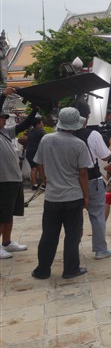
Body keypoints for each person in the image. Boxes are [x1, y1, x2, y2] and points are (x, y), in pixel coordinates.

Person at [31, 107, 91, 279]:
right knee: (72, 235)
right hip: (73, 196)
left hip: (52, 197)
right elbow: (83, 173)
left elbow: (39, 163)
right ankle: (71, 269)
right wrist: (86, 196)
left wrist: (45, 179)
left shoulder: (46, 139)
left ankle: (42, 270)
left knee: (49, 234)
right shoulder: (79, 144)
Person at [73, 100, 111, 260]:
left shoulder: (63, 136)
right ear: (87, 117)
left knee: (74, 217)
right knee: (97, 215)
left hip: (70, 182)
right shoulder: (93, 135)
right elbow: (106, 156)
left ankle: (73, 248)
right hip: (92, 179)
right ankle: (100, 249)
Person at [0, 87, 38, 259]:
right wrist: (3, 96)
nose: (4, 120)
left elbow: (23, 125)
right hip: (3, 180)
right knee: (2, 214)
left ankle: (7, 242)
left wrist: (35, 110)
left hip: (13, 179)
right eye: (2, 117)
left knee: (9, 213)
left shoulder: (5, 133)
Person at [25, 117, 47, 191]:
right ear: (38, 124)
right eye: (41, 122)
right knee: (41, 168)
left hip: (29, 152)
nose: (42, 124)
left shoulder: (30, 131)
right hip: (37, 152)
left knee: (33, 169)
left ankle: (34, 185)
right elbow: (47, 139)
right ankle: (44, 184)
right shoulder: (41, 131)